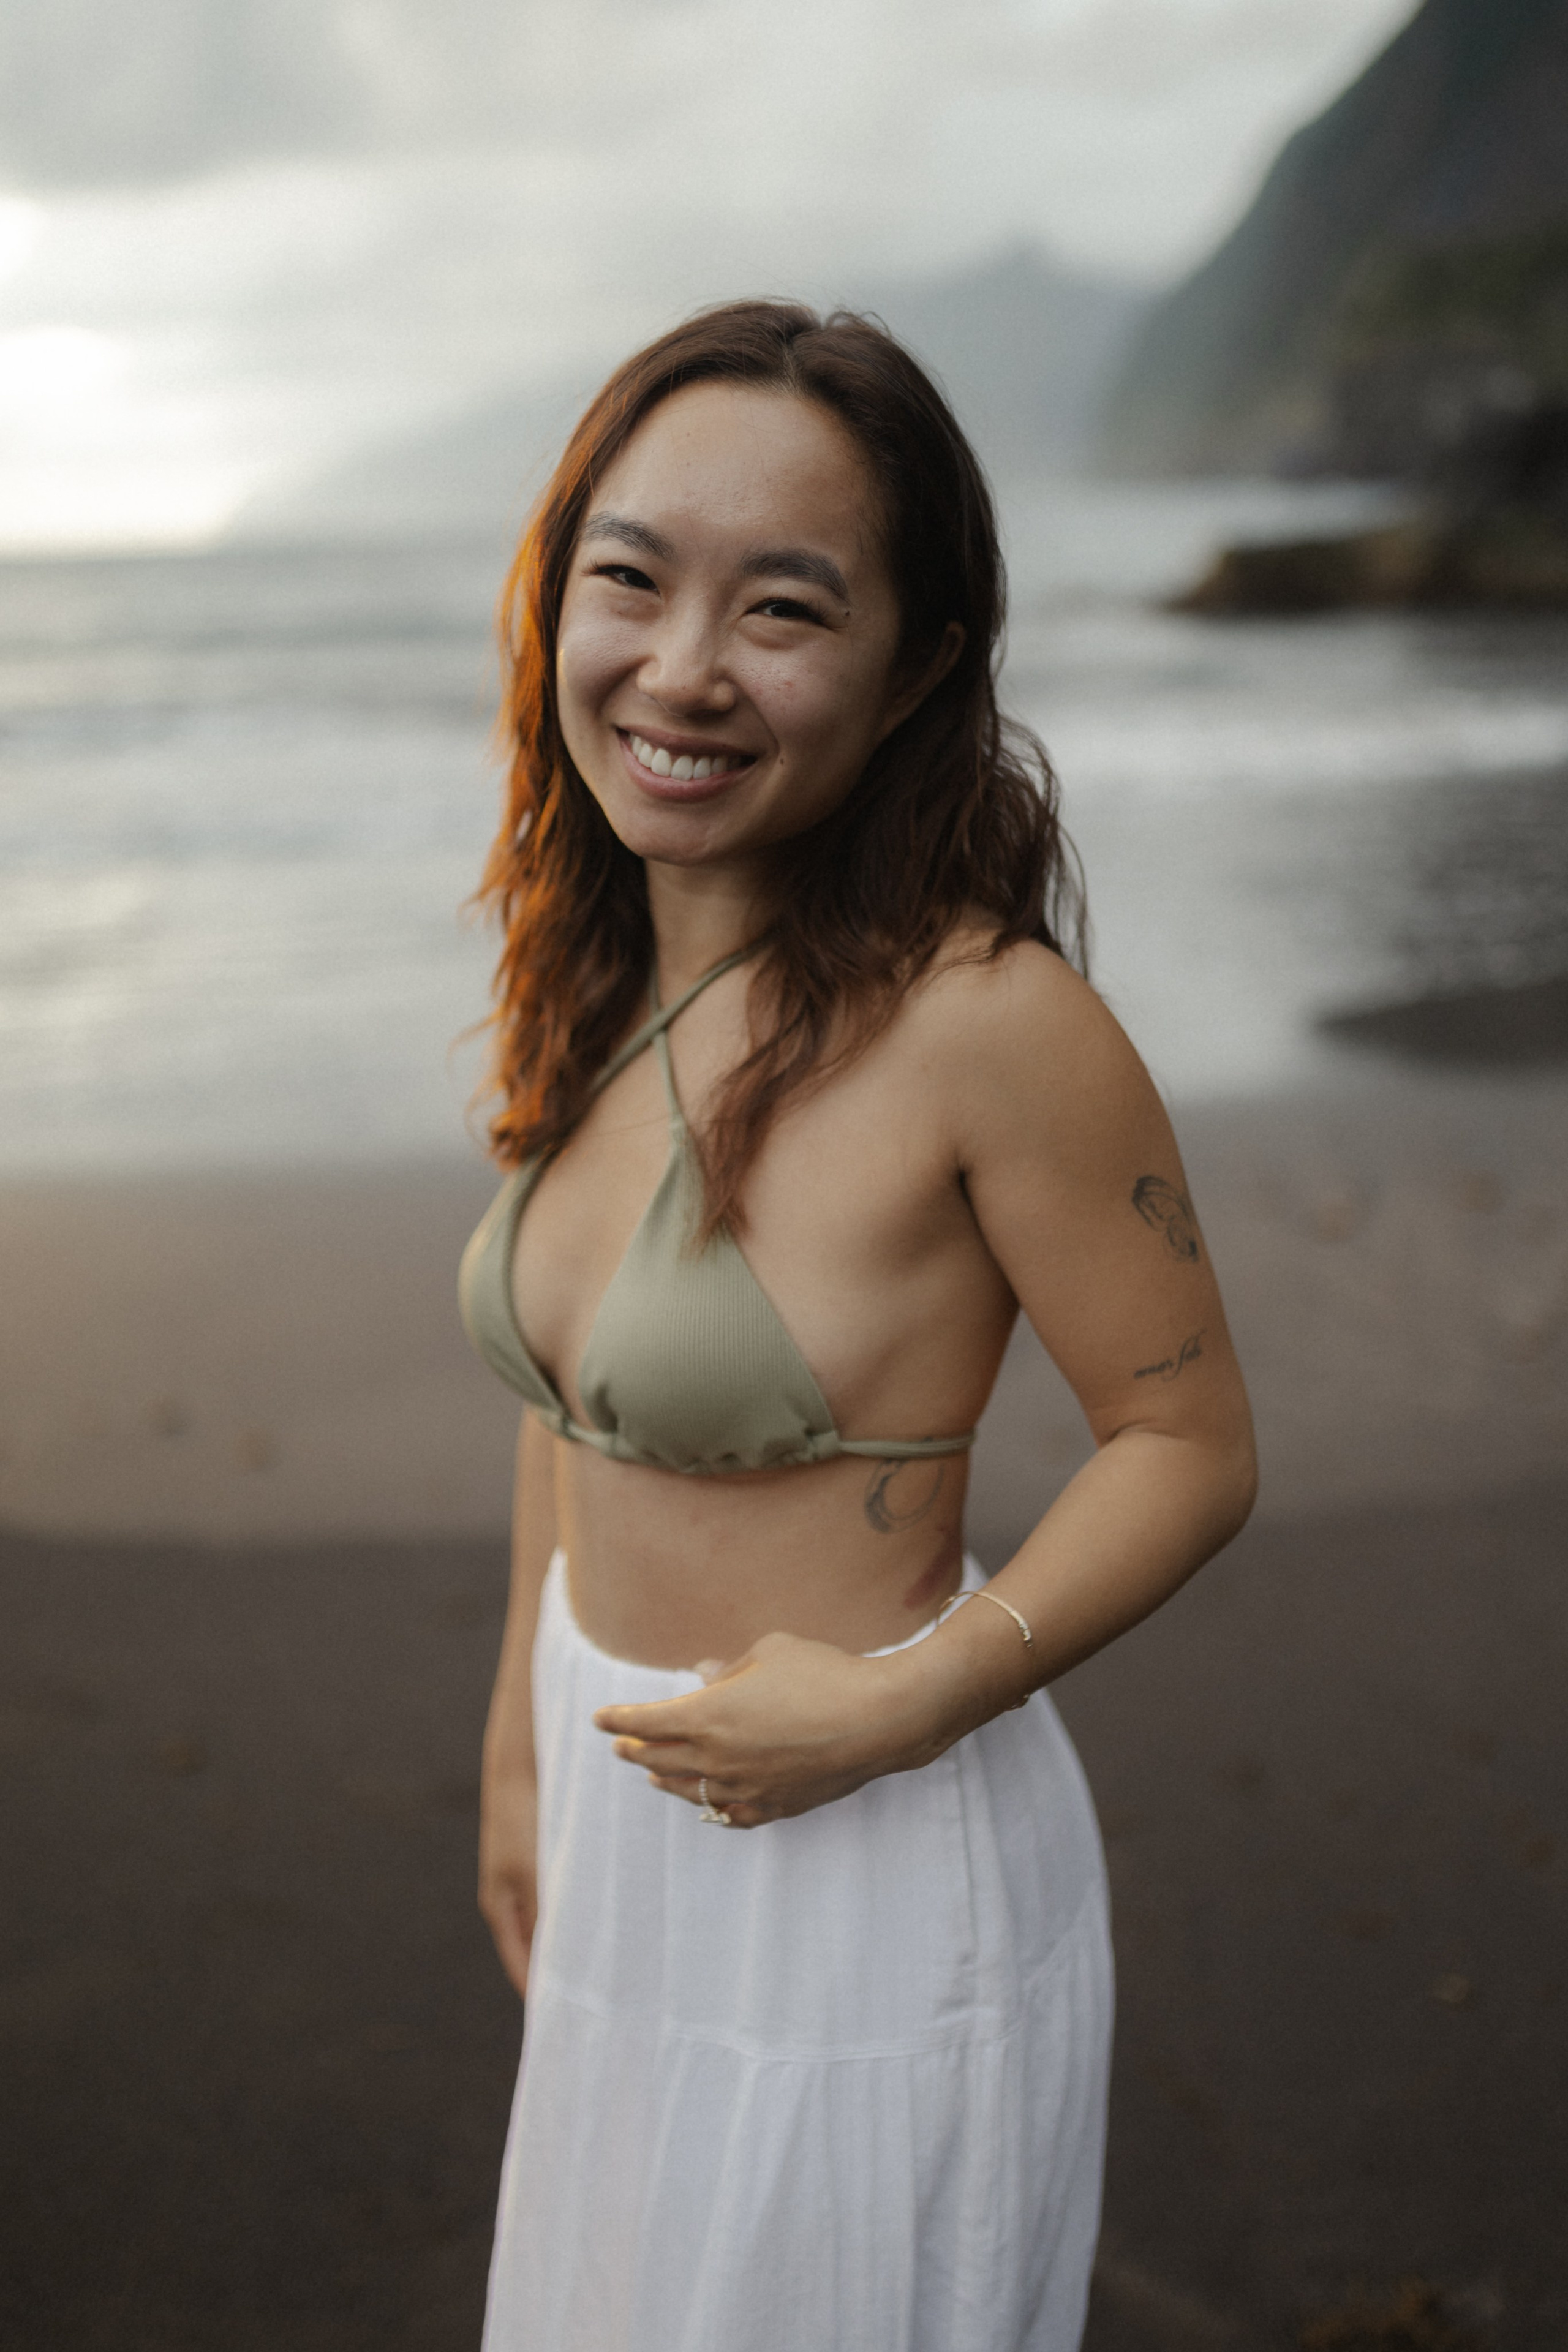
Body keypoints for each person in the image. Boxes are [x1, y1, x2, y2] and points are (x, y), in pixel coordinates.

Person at [459, 299, 1256, 2352]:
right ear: (557, 596)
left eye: (784, 608)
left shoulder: (991, 1027)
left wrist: (909, 1704)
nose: (683, 667)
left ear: (915, 673)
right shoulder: (595, 962)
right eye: (627, 577)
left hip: (868, 1874)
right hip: (622, 1810)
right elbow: (582, 1409)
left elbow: (1190, 1443)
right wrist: (520, 1736)